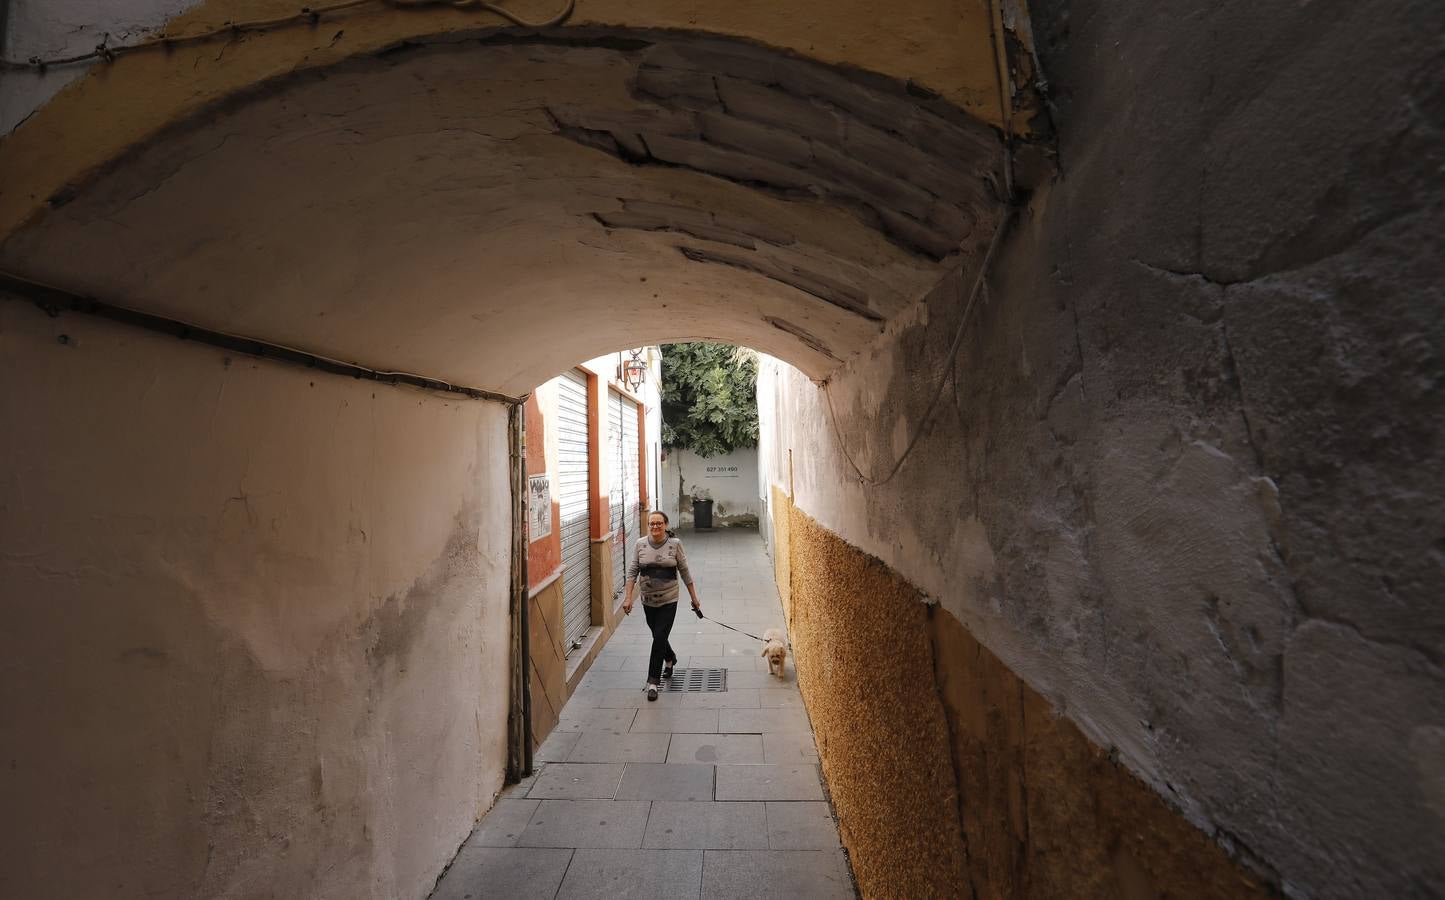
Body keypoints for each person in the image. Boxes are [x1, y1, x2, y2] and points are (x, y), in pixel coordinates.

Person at [622, 510, 702, 701]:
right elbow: (633, 571)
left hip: (669, 599)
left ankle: (652, 682)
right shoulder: (640, 544)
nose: (655, 527)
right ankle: (670, 658)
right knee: (658, 635)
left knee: (658, 637)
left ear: (665, 525)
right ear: (648, 525)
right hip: (648, 600)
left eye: (659, 523)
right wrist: (627, 598)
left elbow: (684, 571)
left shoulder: (675, 544)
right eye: (652, 524)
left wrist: (694, 598)